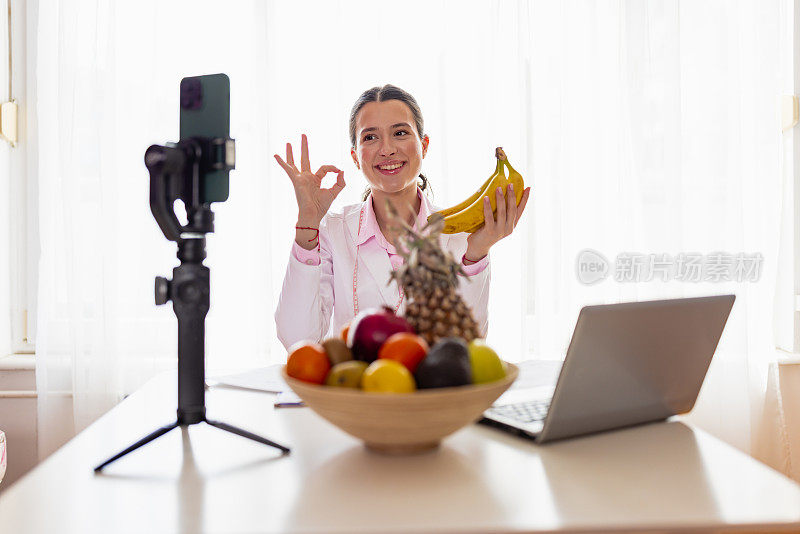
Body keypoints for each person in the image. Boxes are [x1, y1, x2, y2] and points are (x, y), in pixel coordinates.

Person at [274, 84, 530, 350]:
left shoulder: (460, 235)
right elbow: (297, 340)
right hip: (356, 389)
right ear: (355, 157)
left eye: (400, 133)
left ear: (424, 145)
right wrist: (307, 224)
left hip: (428, 391)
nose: (387, 149)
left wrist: (477, 252)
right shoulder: (331, 232)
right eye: (370, 137)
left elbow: (466, 346)